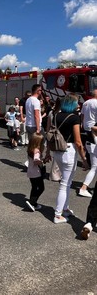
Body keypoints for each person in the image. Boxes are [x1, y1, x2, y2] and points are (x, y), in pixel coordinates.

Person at [45, 94, 89, 224]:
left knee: (67, 183)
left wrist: (47, 152)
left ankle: (65, 209)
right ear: (72, 104)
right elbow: (78, 141)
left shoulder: (55, 115)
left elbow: (50, 133)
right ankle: (58, 215)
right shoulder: (74, 118)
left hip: (58, 150)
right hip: (68, 151)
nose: (78, 105)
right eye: (77, 103)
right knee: (65, 185)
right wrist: (85, 160)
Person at [79, 90, 97, 198]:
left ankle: (84, 187)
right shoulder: (96, 103)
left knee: (95, 165)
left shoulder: (86, 103)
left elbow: (82, 116)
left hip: (86, 130)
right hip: (94, 131)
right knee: (95, 166)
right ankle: (84, 187)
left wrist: (82, 125)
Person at [25, 133, 47, 211]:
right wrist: (42, 161)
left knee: (34, 187)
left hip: (30, 172)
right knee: (41, 188)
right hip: (36, 172)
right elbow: (36, 161)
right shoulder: (37, 151)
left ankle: (33, 202)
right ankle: (32, 202)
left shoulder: (30, 149)